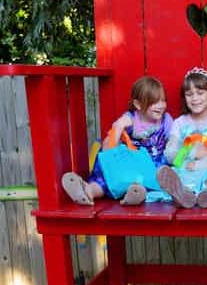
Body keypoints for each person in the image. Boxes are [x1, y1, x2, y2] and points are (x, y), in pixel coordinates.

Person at [62, 76, 173, 206]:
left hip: (151, 167)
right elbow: (108, 150)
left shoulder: (166, 120)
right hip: (127, 166)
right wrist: (119, 127)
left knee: (156, 176)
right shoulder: (129, 120)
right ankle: (89, 190)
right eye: (154, 102)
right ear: (138, 104)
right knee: (107, 170)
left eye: (163, 100)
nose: (161, 106)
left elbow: (173, 143)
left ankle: (134, 194)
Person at [157, 67, 207, 208]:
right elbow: (170, 155)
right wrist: (191, 152)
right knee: (177, 180)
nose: (195, 99)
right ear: (184, 97)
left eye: (200, 93)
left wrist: (201, 164)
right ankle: (182, 196)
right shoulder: (179, 123)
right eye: (189, 94)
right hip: (184, 170)